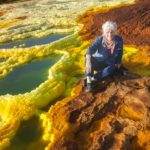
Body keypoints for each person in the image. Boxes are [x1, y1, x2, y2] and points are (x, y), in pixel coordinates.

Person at [85, 21, 123, 92]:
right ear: (103, 32)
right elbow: (90, 50)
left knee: (111, 69)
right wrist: (88, 62)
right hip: (98, 61)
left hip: (109, 64)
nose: (109, 34)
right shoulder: (99, 39)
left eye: (112, 32)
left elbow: (120, 52)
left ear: (115, 32)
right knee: (88, 60)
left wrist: (118, 62)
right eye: (107, 32)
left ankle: (94, 79)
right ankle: (88, 81)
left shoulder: (119, 39)